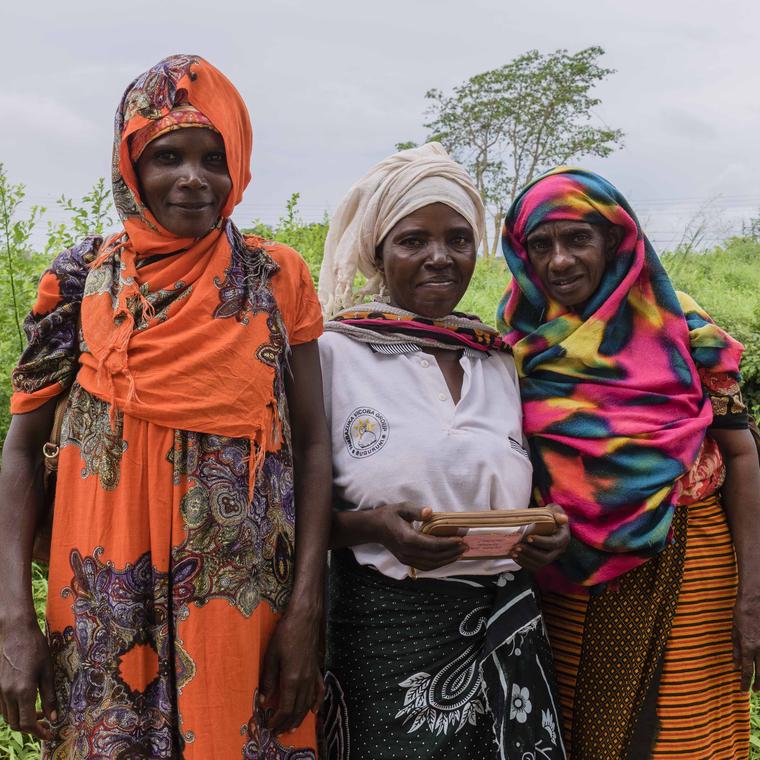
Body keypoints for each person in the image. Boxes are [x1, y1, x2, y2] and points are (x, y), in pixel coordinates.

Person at [0, 54, 331, 758]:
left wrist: (307, 609)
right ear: (130, 165)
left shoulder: (275, 279)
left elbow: (313, 446)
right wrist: (13, 621)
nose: (192, 177)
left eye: (214, 158)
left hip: (245, 607)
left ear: (237, 165)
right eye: (167, 156)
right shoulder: (80, 279)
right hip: (99, 603)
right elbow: (22, 451)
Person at [317, 142, 570, 760]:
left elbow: (516, 485)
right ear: (378, 251)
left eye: (458, 239)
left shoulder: (500, 358)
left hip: (505, 633)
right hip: (383, 634)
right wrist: (374, 527)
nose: (440, 257)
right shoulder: (331, 354)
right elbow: (286, 512)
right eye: (413, 241)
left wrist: (545, 534)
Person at [498, 166, 760, 759]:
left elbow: (743, 458)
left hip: (690, 564)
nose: (559, 261)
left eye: (577, 239)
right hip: (569, 573)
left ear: (615, 240)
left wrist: (753, 595)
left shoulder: (682, 330)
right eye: (542, 244)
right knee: (572, 728)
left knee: (679, 734)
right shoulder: (519, 339)